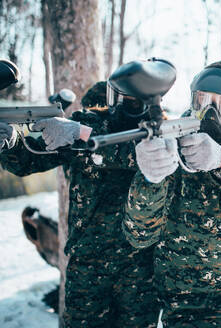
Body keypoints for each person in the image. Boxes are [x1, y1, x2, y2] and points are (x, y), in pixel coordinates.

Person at [123, 60, 221, 327]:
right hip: (189, 303)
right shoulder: (170, 141)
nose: (210, 113)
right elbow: (139, 235)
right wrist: (151, 178)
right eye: (203, 101)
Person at [0, 76, 162, 327]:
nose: (98, 117)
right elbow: (30, 159)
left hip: (139, 268)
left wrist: (83, 133)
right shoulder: (78, 129)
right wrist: (12, 143)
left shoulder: (151, 132)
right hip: (88, 264)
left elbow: (136, 154)